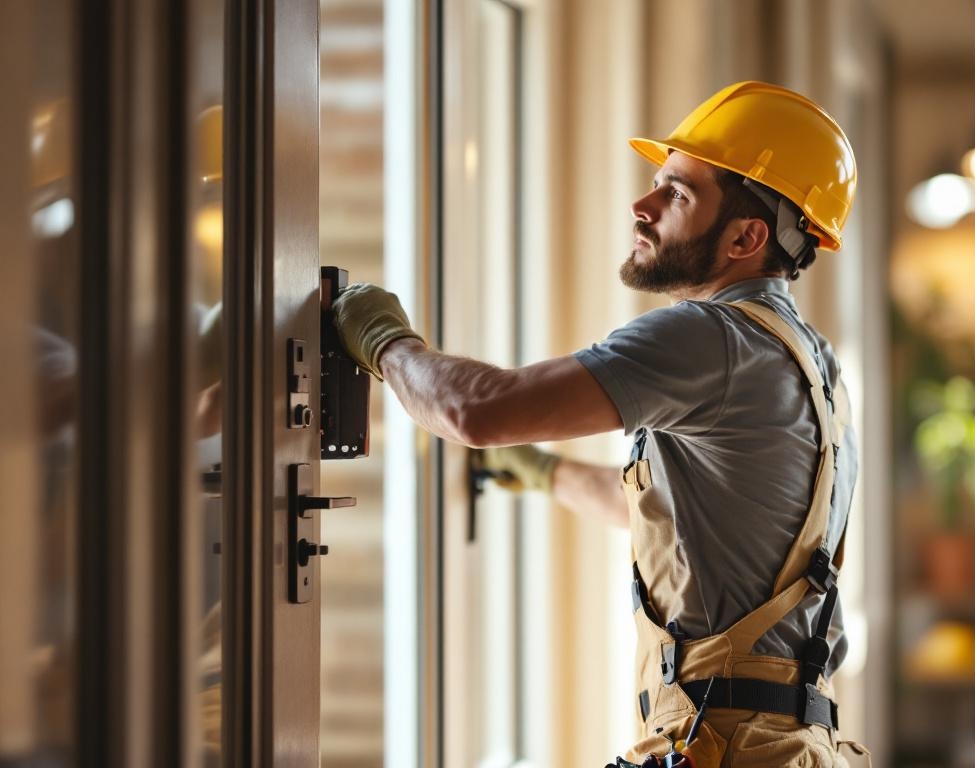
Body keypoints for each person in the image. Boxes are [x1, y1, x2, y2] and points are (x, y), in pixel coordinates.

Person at [332, 81, 868, 766]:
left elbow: (478, 408)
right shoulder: (811, 361)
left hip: (730, 746)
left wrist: (379, 336)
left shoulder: (710, 338)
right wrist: (545, 472)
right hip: (789, 742)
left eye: (677, 194)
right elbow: (692, 523)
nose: (641, 208)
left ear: (746, 236)